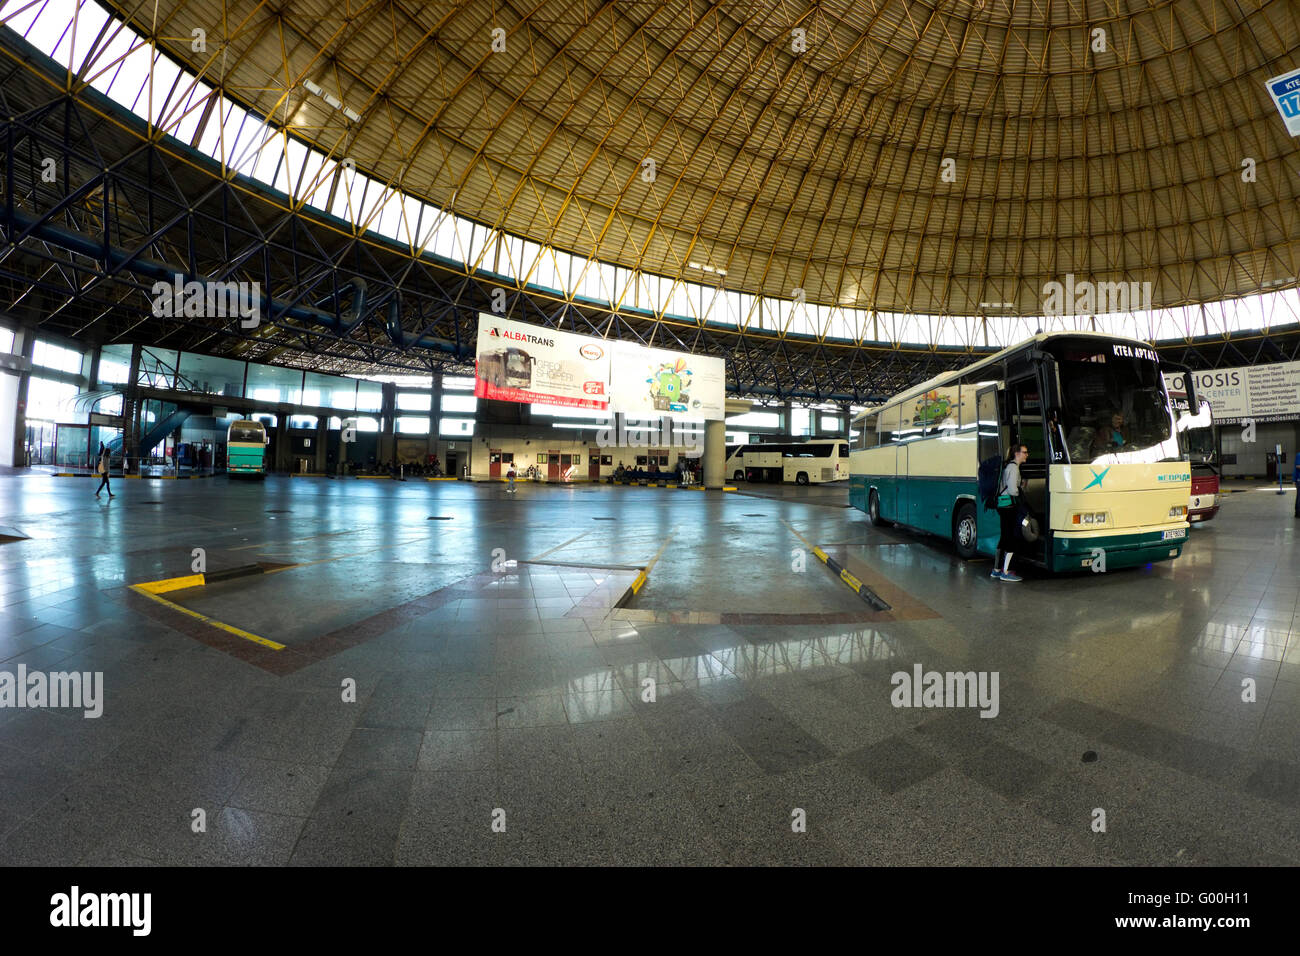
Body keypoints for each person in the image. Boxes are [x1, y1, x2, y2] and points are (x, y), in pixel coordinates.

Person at [993, 444, 1028, 582]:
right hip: (1009, 506)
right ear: (1017, 454)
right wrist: (1020, 490)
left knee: (1004, 536)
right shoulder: (1013, 468)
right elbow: (1013, 490)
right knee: (1011, 537)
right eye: (1024, 452)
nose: (1027, 455)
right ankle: (1006, 572)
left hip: (1003, 505)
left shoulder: (1008, 466)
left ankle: (996, 570)